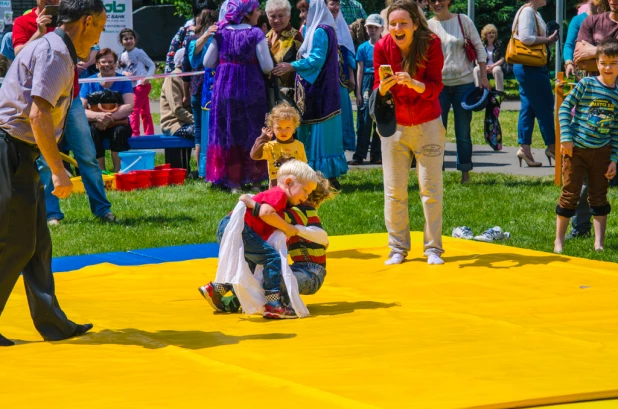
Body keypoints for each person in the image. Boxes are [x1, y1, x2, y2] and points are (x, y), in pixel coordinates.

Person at [0, 0, 105, 347]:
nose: (100, 35)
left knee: (37, 243)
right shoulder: (56, 54)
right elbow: (38, 114)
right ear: (86, 21)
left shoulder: (53, 47)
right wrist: (58, 172)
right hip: (10, 150)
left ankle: (54, 323)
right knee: (16, 242)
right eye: (100, 27)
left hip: (19, 150)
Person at [13, 0, 115, 226]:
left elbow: (88, 50)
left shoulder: (70, 19)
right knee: (45, 162)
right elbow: (20, 58)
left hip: (70, 99)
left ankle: (101, 208)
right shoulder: (29, 27)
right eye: (98, 28)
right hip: (39, 108)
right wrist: (40, 33)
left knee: (87, 155)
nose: (52, 1)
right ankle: (52, 214)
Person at [372, 0, 446, 265]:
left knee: (431, 189)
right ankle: (397, 248)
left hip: (428, 125)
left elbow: (437, 86)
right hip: (395, 129)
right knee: (394, 191)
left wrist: (416, 84)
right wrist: (383, 87)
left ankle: (433, 249)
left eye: (403, 23)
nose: (397, 28)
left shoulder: (431, 44)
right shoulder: (382, 46)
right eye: (392, 24)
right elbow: (376, 88)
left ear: (415, 24)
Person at [199, 160, 319, 319]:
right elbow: (266, 213)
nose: (306, 196)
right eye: (305, 190)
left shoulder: (278, 198)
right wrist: (287, 227)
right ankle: (274, 304)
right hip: (241, 228)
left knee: (248, 264)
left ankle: (216, 289)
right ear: (289, 183)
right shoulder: (279, 194)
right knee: (272, 258)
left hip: (235, 227)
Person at [212, 174, 337, 313]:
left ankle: (271, 303)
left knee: (269, 277)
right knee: (262, 271)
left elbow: (270, 215)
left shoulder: (302, 212)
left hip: (312, 273)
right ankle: (230, 296)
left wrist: (252, 202)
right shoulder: (302, 210)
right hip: (301, 269)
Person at [272, 0, 348, 190]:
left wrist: (291, 65)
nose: (302, 15)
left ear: (315, 9)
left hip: (320, 91)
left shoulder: (321, 30)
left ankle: (323, 175)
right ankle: (321, 175)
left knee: (320, 132)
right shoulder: (316, 29)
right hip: (317, 89)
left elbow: (316, 59)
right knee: (316, 131)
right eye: (301, 11)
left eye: (305, 10)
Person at [554, 38, 618, 254]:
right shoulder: (586, 85)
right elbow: (564, 109)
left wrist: (614, 159)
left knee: (599, 196)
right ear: (597, 63)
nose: (608, 67)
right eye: (603, 62)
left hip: (601, 153)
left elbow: (616, 130)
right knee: (570, 193)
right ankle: (559, 242)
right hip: (576, 150)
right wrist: (566, 137)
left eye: (613, 63)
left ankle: (599, 243)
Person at [203, 0, 272, 193]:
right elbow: (267, 66)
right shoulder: (256, 33)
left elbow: (208, 62)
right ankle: (257, 181)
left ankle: (234, 182)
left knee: (229, 132)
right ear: (247, 14)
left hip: (225, 88)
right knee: (253, 131)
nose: (259, 13)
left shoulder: (221, 33)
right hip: (251, 88)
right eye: (256, 10)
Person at [568, 0, 616, 239]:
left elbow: (590, 57)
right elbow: (580, 59)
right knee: (588, 172)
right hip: (594, 108)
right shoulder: (592, 21)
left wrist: (595, 51)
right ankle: (581, 227)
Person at [428, 0, 488, 184]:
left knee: (463, 132)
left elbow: (479, 48)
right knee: (437, 131)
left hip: (464, 84)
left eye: (441, 0)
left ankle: (465, 173)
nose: (437, 3)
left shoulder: (463, 20)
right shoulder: (427, 26)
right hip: (439, 86)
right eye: (432, 1)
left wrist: (484, 77)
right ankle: (437, 173)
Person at [510, 0, 559, 168]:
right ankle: (552, 147)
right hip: (530, 67)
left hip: (528, 66)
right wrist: (548, 39)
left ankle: (524, 149)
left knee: (529, 107)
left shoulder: (533, 12)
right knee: (545, 105)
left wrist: (548, 41)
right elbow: (525, 38)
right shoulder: (528, 12)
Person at [81, 48, 134, 173]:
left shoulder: (124, 80)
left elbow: (129, 106)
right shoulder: (88, 82)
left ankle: (118, 172)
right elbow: (81, 109)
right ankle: (100, 172)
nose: (107, 65)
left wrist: (107, 118)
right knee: (91, 133)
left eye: (110, 62)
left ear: (115, 63)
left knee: (119, 132)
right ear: (97, 64)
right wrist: (98, 117)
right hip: (95, 124)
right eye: (103, 62)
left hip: (118, 124)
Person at [184, 3, 219, 177]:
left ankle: (204, 169)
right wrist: (207, 35)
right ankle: (204, 169)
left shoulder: (194, 39)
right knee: (202, 131)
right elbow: (191, 60)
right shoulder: (197, 40)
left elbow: (187, 64)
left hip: (201, 91)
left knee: (201, 132)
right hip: (203, 91)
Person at [349, 13, 383, 166]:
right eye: (369, 27)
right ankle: (359, 154)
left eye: (375, 28)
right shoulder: (363, 47)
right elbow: (360, 70)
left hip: (382, 81)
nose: (372, 30)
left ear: (381, 28)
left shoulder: (385, 45)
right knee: (364, 119)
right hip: (367, 82)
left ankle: (376, 154)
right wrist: (358, 91)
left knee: (380, 119)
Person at [251, 101, 308, 187]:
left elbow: (304, 167)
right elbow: (254, 155)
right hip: (275, 184)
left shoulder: (299, 146)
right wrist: (263, 138)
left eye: (288, 127)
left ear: (294, 128)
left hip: (294, 183)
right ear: (272, 128)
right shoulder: (270, 146)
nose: (283, 131)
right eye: (279, 128)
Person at [327, 0, 357, 152]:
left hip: (342, 78)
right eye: (332, 4)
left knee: (344, 111)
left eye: (338, 4)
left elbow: (349, 52)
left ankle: (345, 145)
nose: (336, 7)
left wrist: (351, 76)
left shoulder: (342, 26)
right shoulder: (317, 26)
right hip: (325, 79)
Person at [118, 28, 155, 137]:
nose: (128, 41)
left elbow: (152, 65)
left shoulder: (139, 52)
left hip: (142, 85)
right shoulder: (122, 55)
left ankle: (135, 135)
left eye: (131, 38)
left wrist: (147, 77)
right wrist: (124, 73)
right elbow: (122, 69)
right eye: (125, 39)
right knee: (145, 111)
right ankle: (150, 134)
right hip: (131, 86)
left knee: (133, 110)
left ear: (135, 40)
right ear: (121, 42)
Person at [265, 0, 304, 89]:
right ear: (268, 17)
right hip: (267, 90)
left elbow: (305, 62)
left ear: (288, 17)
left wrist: (291, 67)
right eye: (273, 16)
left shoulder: (295, 37)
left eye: (281, 16)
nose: (277, 20)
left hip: (288, 92)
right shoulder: (266, 37)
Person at [161, 48, 195, 141]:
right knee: (200, 131)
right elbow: (177, 109)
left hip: (188, 122)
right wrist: (197, 120)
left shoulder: (189, 77)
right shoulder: (173, 78)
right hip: (173, 124)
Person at [475, 24, 505, 92]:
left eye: (493, 33)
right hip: (483, 66)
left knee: (497, 70)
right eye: (489, 33)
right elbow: (476, 59)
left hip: (495, 66)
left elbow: (502, 58)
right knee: (476, 70)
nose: (492, 34)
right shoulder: (481, 44)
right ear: (485, 35)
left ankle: (499, 93)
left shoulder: (499, 44)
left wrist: (493, 66)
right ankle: (478, 91)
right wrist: (484, 67)